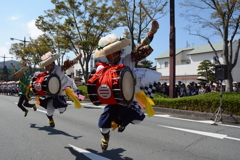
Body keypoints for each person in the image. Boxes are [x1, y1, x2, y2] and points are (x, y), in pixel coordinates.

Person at [91, 19, 160, 151]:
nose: (109, 54)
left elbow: (141, 45)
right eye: (107, 52)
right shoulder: (103, 68)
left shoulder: (128, 59)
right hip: (113, 101)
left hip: (130, 97)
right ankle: (105, 137)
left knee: (138, 119)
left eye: (112, 51)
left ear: (117, 51)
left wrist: (152, 31)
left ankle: (122, 121)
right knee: (103, 126)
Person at [37, 52, 82, 127]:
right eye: (44, 66)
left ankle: (76, 97)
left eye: (46, 65)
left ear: (51, 64)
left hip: (62, 89)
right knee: (49, 112)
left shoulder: (59, 69)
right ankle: (50, 119)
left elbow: (68, 64)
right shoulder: (46, 73)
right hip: (52, 93)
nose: (45, 67)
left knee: (61, 109)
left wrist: (77, 58)